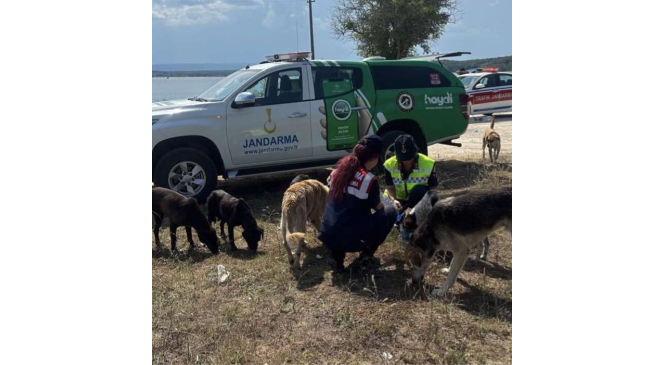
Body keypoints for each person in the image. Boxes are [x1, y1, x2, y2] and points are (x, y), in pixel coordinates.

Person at [317, 135, 398, 272]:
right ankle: (365, 257)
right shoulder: (369, 179)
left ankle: (336, 256)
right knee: (390, 213)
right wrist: (395, 206)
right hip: (351, 239)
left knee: (342, 215)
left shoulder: (336, 172)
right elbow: (380, 209)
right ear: (374, 157)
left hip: (327, 233)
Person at [383, 134, 438, 212]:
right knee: (388, 212)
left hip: (417, 198)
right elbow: (390, 188)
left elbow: (434, 189)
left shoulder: (428, 163)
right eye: (402, 158)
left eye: (409, 157)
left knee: (419, 191)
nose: (406, 161)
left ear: (415, 151)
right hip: (396, 198)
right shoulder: (389, 164)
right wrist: (393, 200)